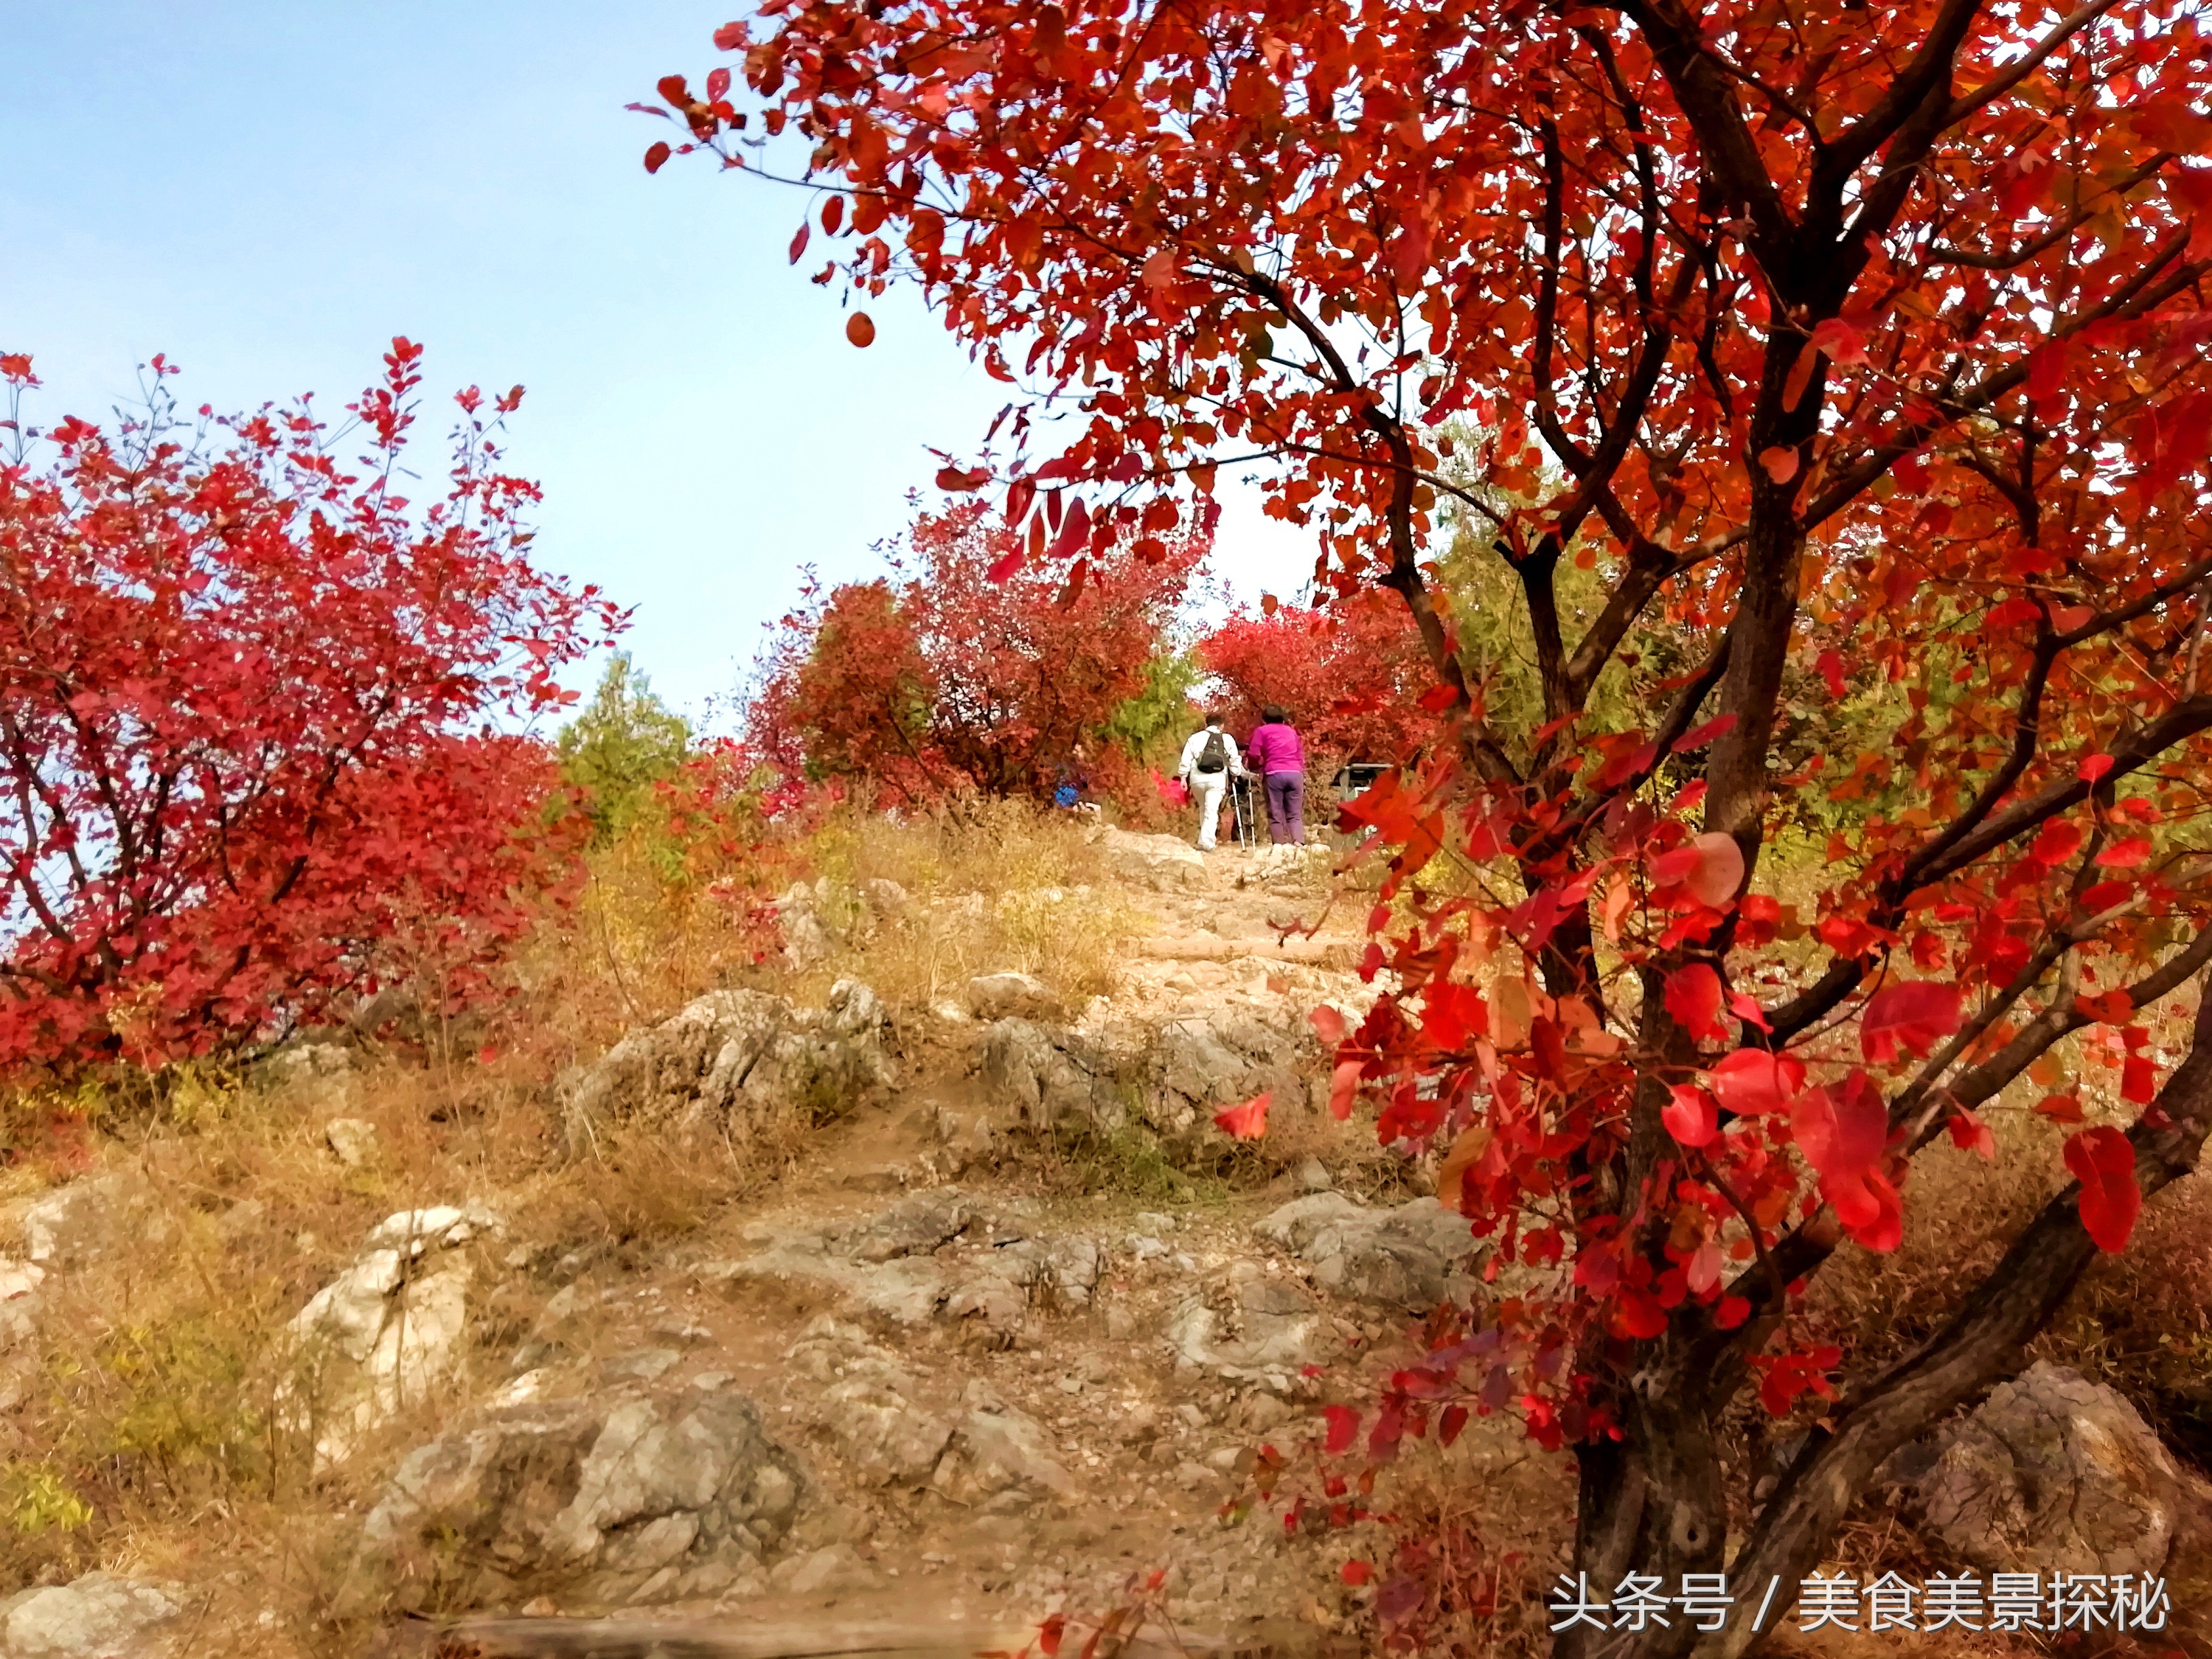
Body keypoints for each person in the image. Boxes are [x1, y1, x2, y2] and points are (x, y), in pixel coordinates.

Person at [1175, 712, 1244, 850]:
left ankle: (1203, 840)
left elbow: (1186, 757)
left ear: (1206, 724)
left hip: (1197, 779)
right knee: (1211, 810)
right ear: (1222, 725)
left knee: (1204, 808)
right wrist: (1235, 774)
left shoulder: (1195, 738)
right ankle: (1207, 842)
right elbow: (1234, 759)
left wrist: (1183, 776)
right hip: (1217, 778)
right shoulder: (1227, 739)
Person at [1245, 705, 1307, 845]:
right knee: (1295, 814)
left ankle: (1280, 845)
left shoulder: (1261, 731)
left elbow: (1254, 754)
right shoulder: (1291, 732)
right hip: (1295, 774)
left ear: (1264, 719)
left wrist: (1257, 766)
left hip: (1274, 773)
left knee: (1276, 814)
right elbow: (1300, 753)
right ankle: (1298, 842)